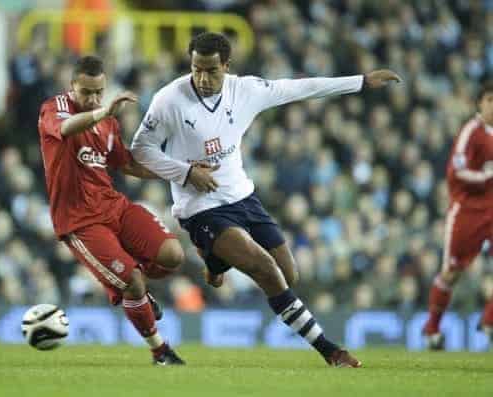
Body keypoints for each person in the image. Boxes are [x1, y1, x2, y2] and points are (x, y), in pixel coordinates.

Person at [132, 32, 401, 367]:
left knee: (289, 275)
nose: (202, 78)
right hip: (201, 207)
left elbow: (300, 88)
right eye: (196, 69)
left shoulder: (246, 90)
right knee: (265, 269)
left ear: (227, 67)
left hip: (243, 196)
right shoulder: (168, 100)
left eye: (211, 71)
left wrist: (360, 81)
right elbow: (140, 150)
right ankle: (330, 351)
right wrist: (185, 173)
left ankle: (215, 261)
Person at [38, 55, 185, 365]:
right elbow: (64, 129)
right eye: (86, 92)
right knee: (132, 281)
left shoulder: (108, 123)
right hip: (80, 221)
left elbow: (127, 163)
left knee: (173, 254)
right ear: (72, 86)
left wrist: (180, 171)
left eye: (98, 92)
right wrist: (102, 111)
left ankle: (139, 294)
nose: (92, 99)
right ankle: (160, 351)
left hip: (114, 206)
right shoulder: (55, 109)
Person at [423, 81, 493, 350]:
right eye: (490, 100)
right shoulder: (471, 132)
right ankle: (431, 329)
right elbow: (456, 170)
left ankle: (488, 321)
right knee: (452, 273)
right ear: (480, 103)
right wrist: (486, 175)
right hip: (467, 212)